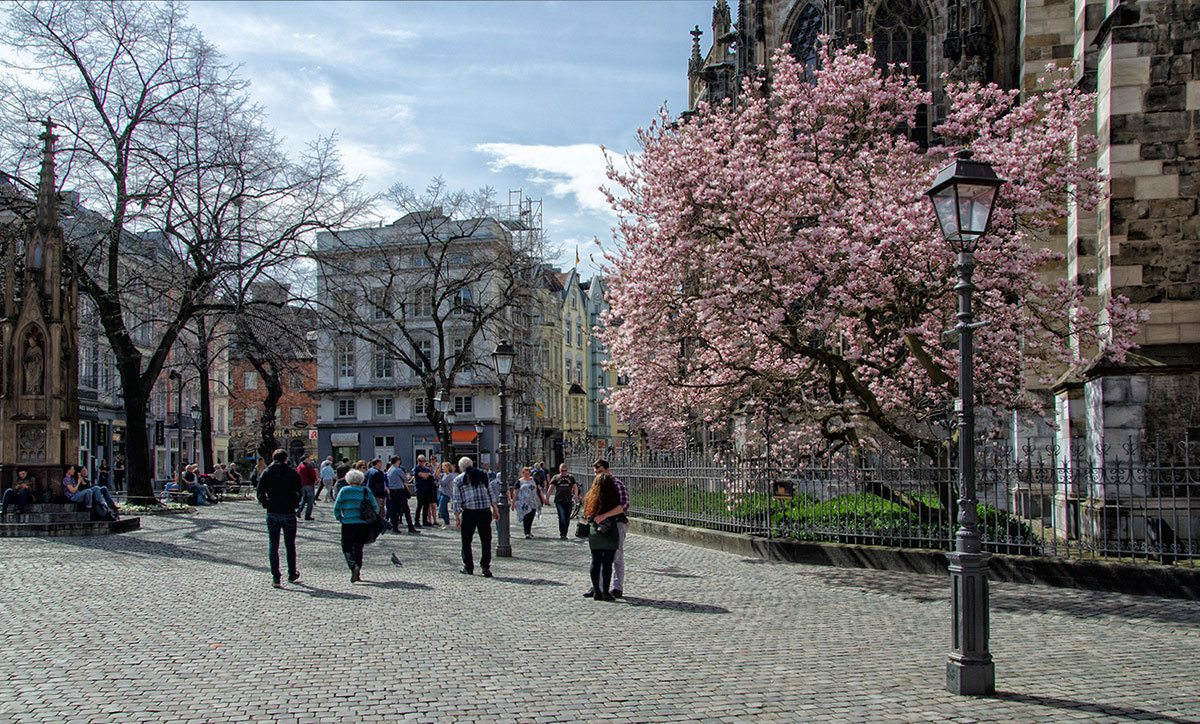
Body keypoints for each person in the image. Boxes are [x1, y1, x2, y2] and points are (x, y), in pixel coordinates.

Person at [256, 449, 302, 588]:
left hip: (273, 511)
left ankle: (276, 577)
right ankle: (292, 573)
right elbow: (299, 491)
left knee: (273, 545)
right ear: (286, 459)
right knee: (290, 544)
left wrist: (266, 503)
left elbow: (260, 491)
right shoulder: (291, 472)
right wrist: (295, 504)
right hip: (288, 511)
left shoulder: (267, 472)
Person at [452, 456, 499, 577]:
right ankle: (485, 566)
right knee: (486, 540)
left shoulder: (459, 480)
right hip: (484, 511)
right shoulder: (483, 475)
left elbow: (457, 500)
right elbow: (490, 492)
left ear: (461, 467)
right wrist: (495, 509)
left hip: (469, 512)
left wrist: (457, 517)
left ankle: (468, 567)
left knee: (466, 541)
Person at [583, 471, 626, 602]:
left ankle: (597, 591)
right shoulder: (612, 497)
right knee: (607, 562)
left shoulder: (591, 497)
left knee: (595, 561)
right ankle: (606, 592)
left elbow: (586, 514)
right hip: (609, 531)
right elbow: (621, 508)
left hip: (595, 531)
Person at [591, 459, 630, 599]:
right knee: (600, 557)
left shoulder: (617, 484)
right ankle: (598, 587)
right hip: (600, 526)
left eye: (600, 472)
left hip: (617, 523)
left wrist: (605, 515)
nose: (597, 475)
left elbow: (624, 505)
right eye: (595, 472)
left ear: (607, 470)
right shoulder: (597, 484)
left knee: (616, 556)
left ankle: (617, 587)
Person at [334, 468, 378, 583]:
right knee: (359, 547)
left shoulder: (344, 490)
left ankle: (353, 566)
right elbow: (375, 506)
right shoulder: (366, 491)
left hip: (348, 522)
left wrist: (340, 517)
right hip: (362, 523)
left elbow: (337, 506)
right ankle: (358, 568)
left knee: (347, 547)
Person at [547, 463, 580, 541]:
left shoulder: (571, 477)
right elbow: (551, 487)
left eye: (565, 471)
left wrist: (576, 495)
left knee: (567, 517)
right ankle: (563, 534)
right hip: (559, 499)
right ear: (559, 470)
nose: (564, 472)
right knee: (561, 516)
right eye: (562, 471)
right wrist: (547, 498)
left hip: (568, 499)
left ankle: (565, 532)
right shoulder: (556, 477)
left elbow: (575, 486)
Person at [385, 455, 416, 533]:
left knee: (393, 510)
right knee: (406, 509)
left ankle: (394, 527)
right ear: (397, 461)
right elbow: (406, 479)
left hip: (392, 491)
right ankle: (410, 527)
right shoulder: (398, 470)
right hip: (399, 491)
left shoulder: (389, 470)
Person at [510, 466, 543, 539]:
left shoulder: (534, 480)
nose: (526, 475)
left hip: (533, 501)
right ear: (522, 474)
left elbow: (539, 489)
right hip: (523, 502)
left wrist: (543, 498)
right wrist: (513, 503)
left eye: (528, 474)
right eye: (525, 474)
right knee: (526, 516)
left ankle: (529, 530)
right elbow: (515, 492)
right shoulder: (520, 481)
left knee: (531, 515)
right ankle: (526, 532)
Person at [364, 459, 390, 530]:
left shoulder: (368, 471)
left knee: (370, 510)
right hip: (376, 495)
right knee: (377, 510)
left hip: (368, 494)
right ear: (378, 463)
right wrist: (382, 496)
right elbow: (380, 486)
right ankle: (375, 526)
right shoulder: (378, 473)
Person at [412, 455, 436, 527]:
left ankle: (425, 521)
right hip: (420, 489)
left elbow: (432, 476)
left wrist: (427, 474)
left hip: (427, 489)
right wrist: (427, 475)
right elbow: (423, 476)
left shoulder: (426, 468)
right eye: (420, 461)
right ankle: (416, 521)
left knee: (426, 506)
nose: (422, 462)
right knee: (419, 506)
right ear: (418, 461)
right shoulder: (417, 468)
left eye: (423, 461)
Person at [296, 455, 318, 520]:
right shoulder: (308, 467)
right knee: (310, 502)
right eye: (308, 458)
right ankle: (307, 515)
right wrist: (314, 481)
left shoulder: (299, 467)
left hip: (302, 485)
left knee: (304, 499)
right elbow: (313, 476)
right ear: (306, 459)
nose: (309, 460)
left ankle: (298, 511)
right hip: (309, 485)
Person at [436, 461, 457, 529]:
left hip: (446, 494)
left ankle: (447, 522)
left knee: (441, 509)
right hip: (441, 493)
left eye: (443, 467)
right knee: (444, 509)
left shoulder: (449, 476)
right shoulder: (444, 475)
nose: (442, 468)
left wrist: (439, 479)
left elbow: (443, 483)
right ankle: (446, 523)